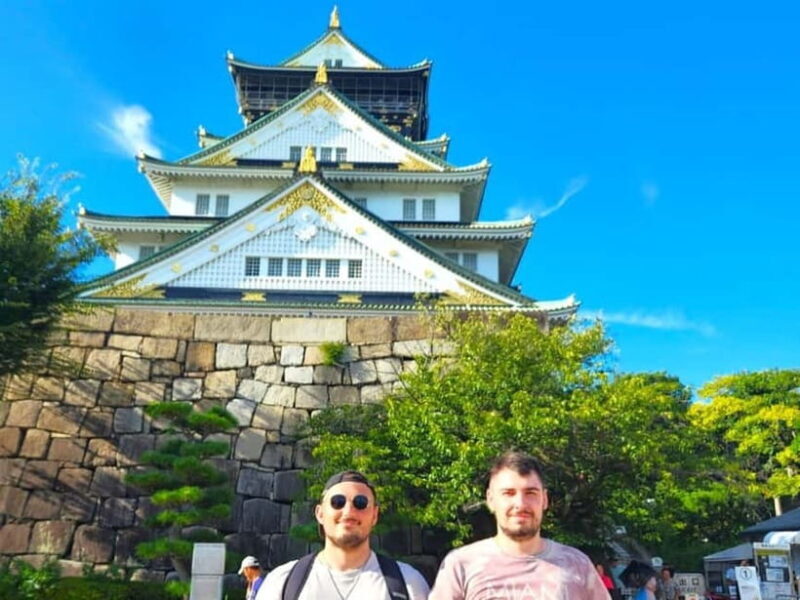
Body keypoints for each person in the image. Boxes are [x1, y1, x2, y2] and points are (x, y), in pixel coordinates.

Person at [429, 450, 611, 599]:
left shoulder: (577, 565)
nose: (520, 504)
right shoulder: (462, 565)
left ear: (545, 499)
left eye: (530, 493)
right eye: (508, 493)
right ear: (491, 500)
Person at [255, 470, 430, 600]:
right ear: (320, 513)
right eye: (337, 502)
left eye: (360, 503)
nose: (348, 511)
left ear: (375, 515)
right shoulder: (283, 583)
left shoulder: (409, 583)